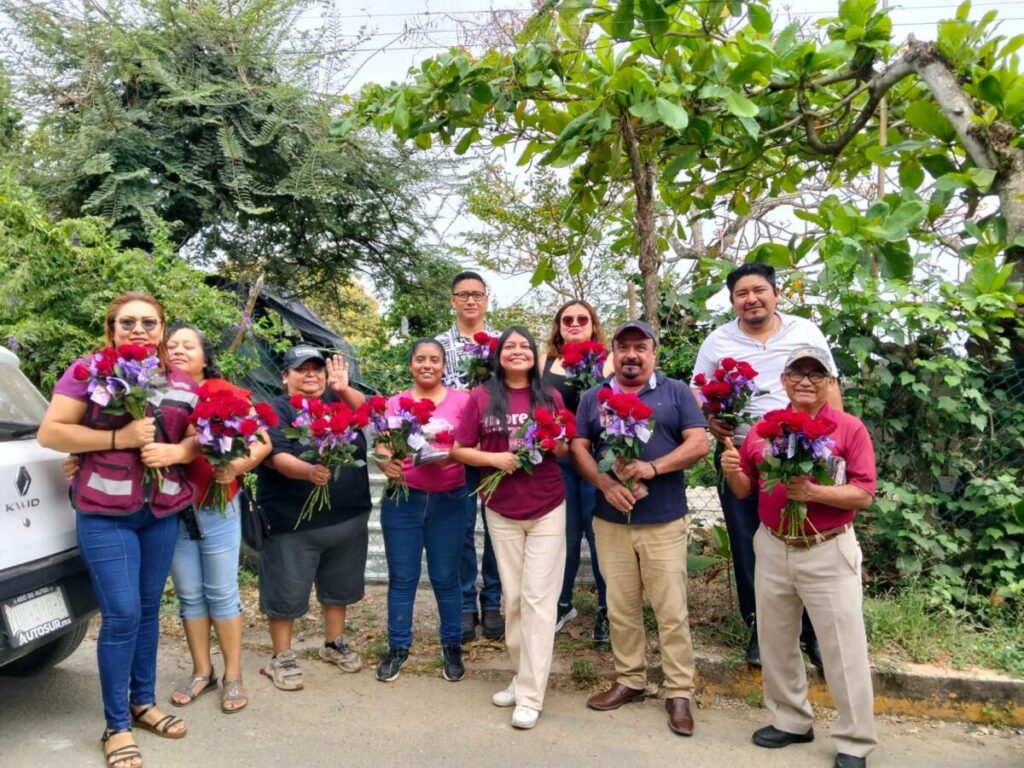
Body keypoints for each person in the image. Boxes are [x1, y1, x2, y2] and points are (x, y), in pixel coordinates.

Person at [38, 292, 199, 768]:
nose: (138, 329)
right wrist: (117, 438)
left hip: (161, 511)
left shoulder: (180, 381)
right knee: (123, 614)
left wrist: (178, 454)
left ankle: (142, 702)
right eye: (127, 322)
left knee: (149, 611)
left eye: (149, 322)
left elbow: (196, 436)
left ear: (162, 328)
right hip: (104, 512)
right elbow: (52, 432)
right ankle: (116, 726)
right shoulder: (89, 372)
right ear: (111, 329)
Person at [720, 346, 877, 768]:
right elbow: (743, 490)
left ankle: (855, 739)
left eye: (816, 373)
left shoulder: (848, 429)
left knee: (843, 647)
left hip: (827, 547)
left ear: (829, 382)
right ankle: (791, 720)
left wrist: (814, 492)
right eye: (797, 372)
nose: (806, 380)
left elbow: (863, 493)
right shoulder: (763, 430)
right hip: (772, 545)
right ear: (785, 379)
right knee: (775, 640)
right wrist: (733, 469)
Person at [691, 263, 841, 669]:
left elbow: (831, 389)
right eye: (742, 293)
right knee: (747, 542)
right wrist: (711, 419)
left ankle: (813, 634)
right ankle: (760, 628)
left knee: (805, 540)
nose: (751, 299)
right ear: (733, 301)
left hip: (801, 454)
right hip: (740, 453)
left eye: (759, 290)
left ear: (776, 293)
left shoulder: (805, 333)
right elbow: (698, 392)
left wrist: (835, 450)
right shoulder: (718, 341)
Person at [571, 320, 708, 737]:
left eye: (640, 347)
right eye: (623, 346)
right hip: (610, 520)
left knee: (670, 611)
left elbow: (698, 442)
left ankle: (678, 692)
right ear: (612, 351)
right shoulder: (595, 397)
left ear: (654, 352)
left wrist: (652, 466)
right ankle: (630, 680)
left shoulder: (676, 392)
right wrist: (604, 482)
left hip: (662, 519)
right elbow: (579, 445)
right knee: (621, 607)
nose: (632, 354)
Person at [451, 327, 567, 730]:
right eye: (510, 347)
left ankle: (532, 695)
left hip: (548, 507)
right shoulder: (481, 396)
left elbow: (565, 446)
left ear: (535, 356)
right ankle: (521, 679)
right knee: (514, 599)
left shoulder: (549, 395)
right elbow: (458, 448)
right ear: (498, 355)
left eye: (525, 347)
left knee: (538, 600)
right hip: (500, 507)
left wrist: (554, 443)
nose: (517, 351)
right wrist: (495, 459)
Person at [165, 324, 271, 714]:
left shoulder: (223, 392)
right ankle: (201, 671)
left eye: (187, 345)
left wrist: (234, 467)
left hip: (217, 506)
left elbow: (262, 441)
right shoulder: (158, 395)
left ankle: (233, 676)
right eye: (171, 345)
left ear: (205, 356)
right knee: (190, 594)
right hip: (173, 508)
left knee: (222, 592)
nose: (177, 350)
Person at [256, 344, 370, 691]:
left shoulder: (340, 400)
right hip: (293, 523)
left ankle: (334, 643)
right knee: (285, 591)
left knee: (339, 587)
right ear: (284, 375)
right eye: (300, 369)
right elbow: (276, 457)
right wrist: (309, 471)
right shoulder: (272, 410)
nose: (310, 374)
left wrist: (344, 389)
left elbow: (375, 416)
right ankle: (282, 656)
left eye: (316, 369)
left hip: (348, 518)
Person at [374, 338, 470, 683]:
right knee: (403, 578)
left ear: (445, 366)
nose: (427, 365)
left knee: (447, 578)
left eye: (434, 360)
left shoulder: (463, 400)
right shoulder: (397, 401)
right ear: (411, 364)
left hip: (450, 499)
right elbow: (383, 443)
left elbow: (471, 443)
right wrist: (385, 462)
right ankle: (398, 646)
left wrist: (452, 451)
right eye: (420, 359)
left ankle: (452, 646)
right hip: (404, 498)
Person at [539, 299, 613, 645]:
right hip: (558, 459)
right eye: (566, 319)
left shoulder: (609, 360)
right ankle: (562, 603)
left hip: (597, 460)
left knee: (599, 535)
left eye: (582, 318)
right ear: (558, 325)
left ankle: (606, 608)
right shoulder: (544, 362)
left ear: (593, 324)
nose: (574, 323)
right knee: (562, 536)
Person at [435, 270, 503, 642]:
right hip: (457, 452)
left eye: (477, 294)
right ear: (453, 300)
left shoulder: (500, 344)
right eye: (463, 294)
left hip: (495, 449)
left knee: (497, 527)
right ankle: (463, 605)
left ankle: (492, 601)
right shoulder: (439, 347)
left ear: (486, 300)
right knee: (460, 529)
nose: (471, 300)